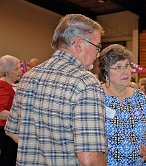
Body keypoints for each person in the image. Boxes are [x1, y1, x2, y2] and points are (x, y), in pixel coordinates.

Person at [5, 14, 106, 165]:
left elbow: (12, 131)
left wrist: (41, 149)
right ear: (79, 44)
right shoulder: (85, 82)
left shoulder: (28, 77)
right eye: (97, 47)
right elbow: (89, 159)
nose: (98, 54)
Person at [98, 44, 146, 165]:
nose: (125, 71)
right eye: (118, 67)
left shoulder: (140, 97)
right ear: (106, 73)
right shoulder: (96, 97)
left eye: (127, 65)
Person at [0, 55, 20, 166]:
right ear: (7, 72)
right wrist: (20, 117)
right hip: (4, 131)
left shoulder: (8, 85)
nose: (20, 71)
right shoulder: (3, 86)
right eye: (16, 69)